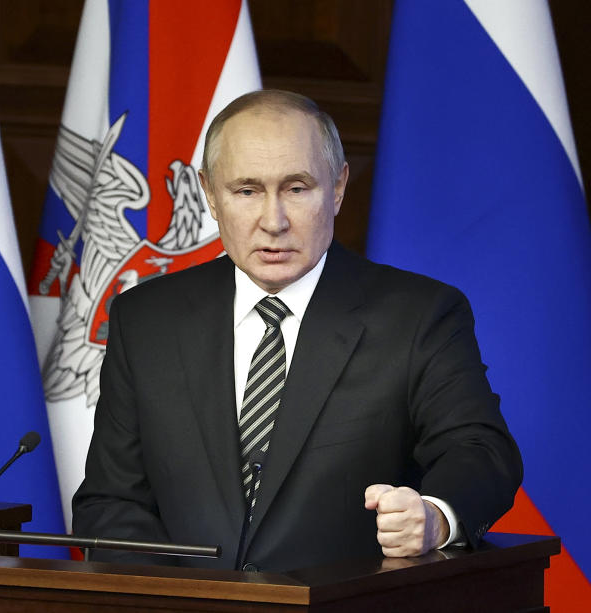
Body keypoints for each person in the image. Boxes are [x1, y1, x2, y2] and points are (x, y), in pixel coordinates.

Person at [72, 90, 522, 572]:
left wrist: (434, 518)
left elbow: (481, 452)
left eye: (297, 188)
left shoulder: (419, 316)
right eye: (246, 191)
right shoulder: (146, 318)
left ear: (339, 186)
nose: (273, 221)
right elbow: (109, 504)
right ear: (209, 194)